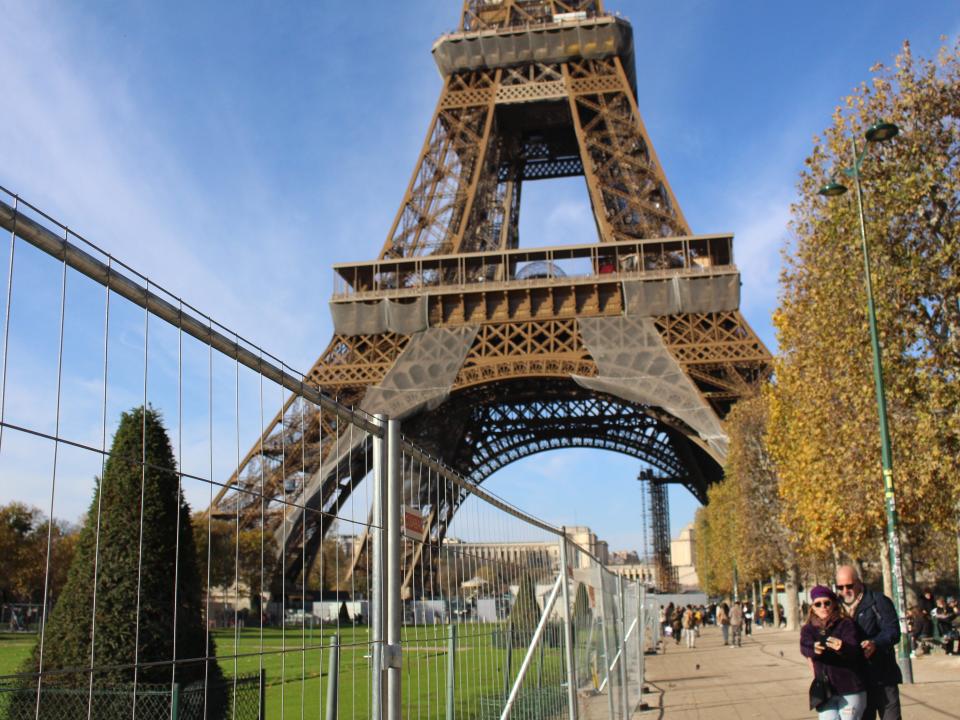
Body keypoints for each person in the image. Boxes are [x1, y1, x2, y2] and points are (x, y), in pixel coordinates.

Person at [835, 565, 902, 720]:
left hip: (883, 676)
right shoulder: (835, 606)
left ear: (859, 582)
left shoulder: (878, 601)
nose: (845, 590)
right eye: (841, 587)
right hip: (856, 681)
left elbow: (893, 631)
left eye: (849, 586)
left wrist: (875, 643)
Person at [800, 585, 867, 719]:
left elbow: (855, 650)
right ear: (812, 607)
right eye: (818, 604)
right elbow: (804, 646)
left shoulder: (845, 624)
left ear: (834, 604)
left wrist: (842, 647)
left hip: (849, 688)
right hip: (825, 689)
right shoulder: (808, 629)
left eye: (827, 603)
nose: (823, 607)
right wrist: (813, 649)